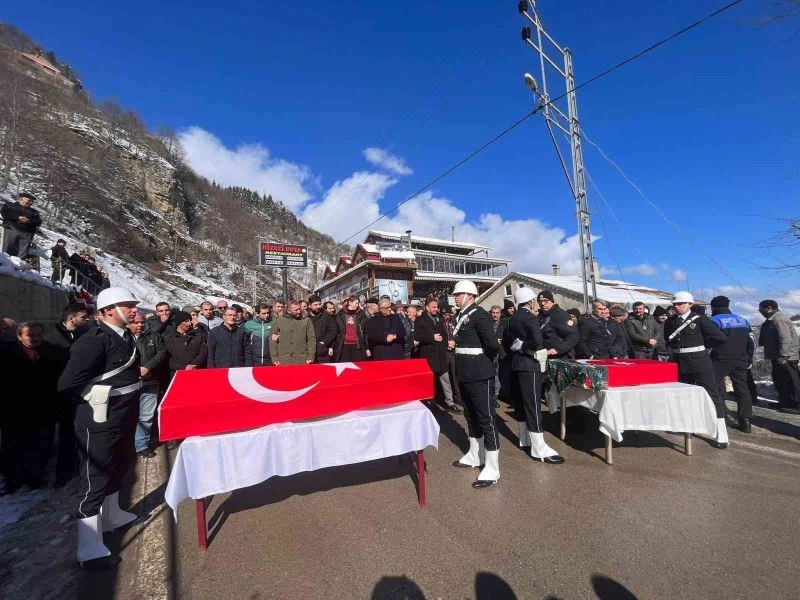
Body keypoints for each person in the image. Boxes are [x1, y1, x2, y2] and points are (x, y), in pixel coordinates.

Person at [57, 287, 143, 565]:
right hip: (99, 418)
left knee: (119, 465)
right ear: (108, 311)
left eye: (134, 305)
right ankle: (89, 548)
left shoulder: (125, 335)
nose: (135, 310)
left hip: (123, 415)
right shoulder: (93, 340)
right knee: (94, 479)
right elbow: (67, 384)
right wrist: (94, 396)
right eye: (128, 305)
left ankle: (113, 515)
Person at [0, 322, 63, 492]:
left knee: (40, 444)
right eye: (30, 335)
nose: (35, 338)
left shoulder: (53, 352)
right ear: (20, 336)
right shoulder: (6, 353)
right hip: (13, 410)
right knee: (13, 445)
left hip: (44, 408)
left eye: (38, 334)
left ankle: (34, 477)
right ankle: (12, 480)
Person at [450, 280, 501, 489]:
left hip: (480, 373)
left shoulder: (480, 315)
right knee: (470, 415)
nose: (455, 297)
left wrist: (482, 365)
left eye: (458, 294)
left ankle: (492, 467)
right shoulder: (461, 315)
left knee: (486, 417)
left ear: (470, 295)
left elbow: (491, 345)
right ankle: (475, 454)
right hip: (465, 372)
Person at [505, 288, 564, 464]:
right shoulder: (530, 318)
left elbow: (508, 341)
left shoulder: (511, 319)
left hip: (515, 364)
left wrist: (518, 345)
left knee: (522, 405)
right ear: (530, 302)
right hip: (529, 364)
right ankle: (539, 448)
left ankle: (525, 440)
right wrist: (524, 345)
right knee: (533, 405)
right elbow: (538, 342)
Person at [663, 291, 729, 449]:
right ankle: (688, 427)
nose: (676, 307)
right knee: (683, 396)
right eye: (674, 304)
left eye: (680, 304)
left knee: (712, 396)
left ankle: (721, 434)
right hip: (680, 362)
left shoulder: (700, 320)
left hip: (699, 363)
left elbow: (720, 338)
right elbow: (668, 340)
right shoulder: (671, 321)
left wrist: (701, 347)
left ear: (690, 305)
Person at [44, 303, 91, 485]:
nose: (87, 320)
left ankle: (80, 468)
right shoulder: (52, 339)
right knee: (65, 434)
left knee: (79, 432)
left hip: (80, 391)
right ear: (71, 318)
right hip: (60, 393)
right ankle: (63, 474)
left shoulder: (85, 334)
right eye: (83, 317)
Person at [709, 296, 755, 432]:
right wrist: (750, 359)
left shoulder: (714, 320)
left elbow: (709, 341)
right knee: (742, 389)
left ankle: (720, 415)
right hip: (741, 359)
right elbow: (751, 341)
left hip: (720, 359)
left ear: (713, 307)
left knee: (714, 386)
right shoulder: (743, 320)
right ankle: (745, 421)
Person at [128, 312, 167, 458]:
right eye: (135, 322)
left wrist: (148, 367)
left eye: (142, 322)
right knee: (128, 415)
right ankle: (126, 445)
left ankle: (141, 445)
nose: (139, 325)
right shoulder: (124, 337)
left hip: (151, 381)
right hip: (129, 383)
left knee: (146, 415)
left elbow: (161, 353)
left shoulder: (154, 336)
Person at [415, 297, 461, 414]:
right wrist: (432, 337)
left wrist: (448, 343)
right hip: (428, 355)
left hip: (441, 354)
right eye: (433, 307)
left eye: (436, 307)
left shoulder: (439, 318)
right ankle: (431, 403)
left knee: (445, 379)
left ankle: (450, 403)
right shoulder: (420, 319)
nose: (436, 309)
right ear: (427, 307)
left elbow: (444, 335)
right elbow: (418, 336)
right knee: (430, 381)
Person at [758, 299, 800, 415]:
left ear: (769, 308)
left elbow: (785, 338)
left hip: (787, 357)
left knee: (792, 381)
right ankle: (785, 402)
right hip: (777, 356)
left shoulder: (779, 319)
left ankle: (797, 404)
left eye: (761, 308)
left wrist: (784, 355)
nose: (759, 311)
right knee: (780, 380)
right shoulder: (770, 320)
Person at [270, 300, 315, 365]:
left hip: (302, 359)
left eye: (299, 309)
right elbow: (273, 341)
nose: (299, 311)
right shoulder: (279, 321)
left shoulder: (306, 320)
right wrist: (274, 358)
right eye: (296, 310)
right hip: (283, 360)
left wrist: (311, 356)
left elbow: (311, 338)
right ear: (289, 311)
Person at [163, 311, 207, 378]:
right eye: (186, 321)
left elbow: (203, 352)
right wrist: (184, 367)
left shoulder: (198, 336)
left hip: (196, 371)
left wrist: (193, 364)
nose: (189, 323)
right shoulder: (168, 338)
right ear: (178, 323)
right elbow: (167, 358)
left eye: (190, 320)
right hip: (177, 373)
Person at [537, 291, 579, 359]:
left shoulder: (560, 315)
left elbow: (573, 336)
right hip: (546, 356)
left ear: (551, 301)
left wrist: (557, 349)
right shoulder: (541, 316)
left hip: (560, 357)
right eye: (539, 301)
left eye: (545, 300)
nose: (542, 303)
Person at [1, 192, 41, 259]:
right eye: (29, 200)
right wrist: (18, 217)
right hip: (11, 229)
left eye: (32, 201)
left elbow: (38, 221)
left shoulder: (34, 212)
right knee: (7, 249)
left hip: (27, 234)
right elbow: (4, 214)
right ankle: (5, 263)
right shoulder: (9, 205)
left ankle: (19, 266)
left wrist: (29, 220)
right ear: (21, 198)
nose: (31, 202)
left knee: (22, 253)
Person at [334, 296, 368, 362]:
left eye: (358, 303)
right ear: (350, 302)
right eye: (356, 303)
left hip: (357, 345)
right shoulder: (340, 314)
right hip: (344, 345)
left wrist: (367, 347)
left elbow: (365, 331)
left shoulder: (361, 314)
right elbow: (336, 331)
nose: (358, 305)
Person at [307, 295, 338, 363]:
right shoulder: (305, 317)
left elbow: (333, 330)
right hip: (308, 352)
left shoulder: (326, 315)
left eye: (319, 304)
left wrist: (324, 342)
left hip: (323, 352)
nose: (318, 306)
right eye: (315, 305)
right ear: (309, 305)